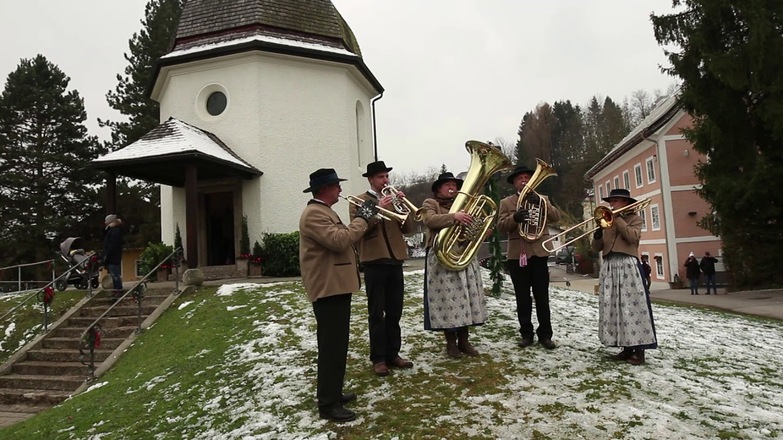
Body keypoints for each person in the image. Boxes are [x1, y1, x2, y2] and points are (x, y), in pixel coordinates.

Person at [298, 168, 378, 423]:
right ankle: (327, 404)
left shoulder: (324, 211)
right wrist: (363, 218)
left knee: (337, 344)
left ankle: (333, 392)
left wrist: (368, 217)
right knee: (331, 347)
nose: (341, 190)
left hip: (336, 286)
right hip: (328, 288)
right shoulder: (313, 214)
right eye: (336, 186)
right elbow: (340, 241)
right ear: (324, 189)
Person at [350, 161, 416, 377]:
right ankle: (378, 358)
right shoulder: (359, 201)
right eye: (380, 177)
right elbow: (357, 230)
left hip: (395, 259)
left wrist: (404, 206)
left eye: (386, 176)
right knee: (377, 313)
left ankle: (393, 353)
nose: (385, 180)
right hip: (374, 261)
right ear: (371, 179)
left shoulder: (395, 198)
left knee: (395, 311)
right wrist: (381, 210)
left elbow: (408, 228)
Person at [420, 172, 486, 358]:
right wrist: (454, 216)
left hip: (463, 254)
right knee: (447, 301)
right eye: (448, 185)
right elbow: (429, 220)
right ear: (438, 189)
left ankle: (464, 341)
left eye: (455, 185)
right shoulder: (430, 203)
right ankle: (451, 343)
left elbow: (470, 229)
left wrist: (479, 230)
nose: (453, 188)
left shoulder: (466, 205)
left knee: (467, 297)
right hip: (441, 256)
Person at [497, 165, 561, 350]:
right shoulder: (507, 202)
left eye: (527, 177)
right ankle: (526, 334)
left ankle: (545, 335)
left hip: (539, 252)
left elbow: (555, 217)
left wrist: (543, 204)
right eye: (520, 178)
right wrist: (515, 218)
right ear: (514, 183)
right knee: (522, 297)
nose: (524, 180)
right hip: (518, 254)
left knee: (542, 297)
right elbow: (502, 226)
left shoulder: (543, 199)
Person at [592, 189, 657, 365]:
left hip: (627, 265)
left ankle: (639, 351)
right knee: (616, 307)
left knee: (633, 308)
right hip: (610, 266)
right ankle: (625, 348)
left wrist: (617, 218)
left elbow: (631, 236)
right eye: (611, 201)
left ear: (626, 203)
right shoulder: (607, 221)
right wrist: (597, 234)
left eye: (616, 201)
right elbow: (596, 247)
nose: (612, 205)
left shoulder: (635, 219)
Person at [103, 214, 124, 301]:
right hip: (114, 256)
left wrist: (107, 255)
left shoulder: (114, 231)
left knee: (115, 274)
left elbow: (112, 245)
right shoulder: (111, 231)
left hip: (113, 256)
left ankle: (118, 289)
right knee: (113, 273)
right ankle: (116, 289)